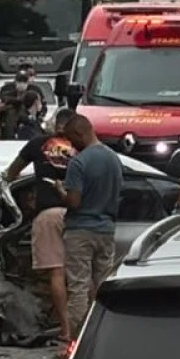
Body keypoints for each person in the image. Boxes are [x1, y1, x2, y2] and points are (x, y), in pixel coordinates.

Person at [3, 108, 77, 344]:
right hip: (81, 215)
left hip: (49, 214)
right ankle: (86, 329)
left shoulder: (38, 144)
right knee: (80, 275)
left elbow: (10, 174)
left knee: (56, 272)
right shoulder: (84, 146)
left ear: (54, 124)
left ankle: (66, 329)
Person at [52, 115, 121, 337]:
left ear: (80, 133)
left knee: (78, 286)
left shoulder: (78, 163)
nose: (71, 145)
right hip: (107, 229)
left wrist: (61, 191)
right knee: (104, 285)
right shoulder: (114, 159)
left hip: (80, 230)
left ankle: (77, 339)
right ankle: (106, 333)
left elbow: (74, 202)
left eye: (72, 139)